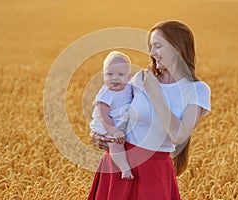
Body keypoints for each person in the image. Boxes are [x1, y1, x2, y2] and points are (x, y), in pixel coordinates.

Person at [88, 21, 211, 200]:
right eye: (151, 47)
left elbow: (178, 135)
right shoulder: (140, 79)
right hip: (119, 167)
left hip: (155, 171)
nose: (152, 53)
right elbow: (110, 107)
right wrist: (96, 135)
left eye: (158, 46)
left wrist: (155, 93)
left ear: (177, 47)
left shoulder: (197, 90)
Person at [89, 51, 134, 180]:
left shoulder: (129, 87)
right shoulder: (105, 94)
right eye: (109, 74)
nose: (115, 78)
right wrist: (114, 131)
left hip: (121, 122)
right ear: (103, 76)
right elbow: (104, 117)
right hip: (107, 126)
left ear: (129, 77)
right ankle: (125, 168)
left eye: (120, 74)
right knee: (115, 143)